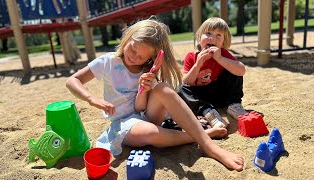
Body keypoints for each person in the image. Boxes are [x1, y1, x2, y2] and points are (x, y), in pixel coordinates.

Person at [66, 18, 244, 171]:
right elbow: (72, 81)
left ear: (149, 59)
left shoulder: (146, 69)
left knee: (163, 88)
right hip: (123, 124)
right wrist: (91, 98)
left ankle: (209, 146)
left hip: (145, 115)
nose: (134, 57)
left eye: (141, 57)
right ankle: (204, 136)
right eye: (133, 49)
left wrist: (145, 89)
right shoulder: (107, 62)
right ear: (128, 38)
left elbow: (140, 107)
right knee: (151, 132)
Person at [178, 17, 248, 128]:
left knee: (234, 68)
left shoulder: (223, 54)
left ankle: (234, 106)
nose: (212, 38)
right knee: (181, 89)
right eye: (208, 33)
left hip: (221, 96)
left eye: (218, 35)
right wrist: (198, 64)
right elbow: (187, 82)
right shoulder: (191, 57)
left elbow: (242, 71)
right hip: (200, 98)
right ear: (200, 37)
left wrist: (220, 59)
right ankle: (209, 113)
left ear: (223, 41)